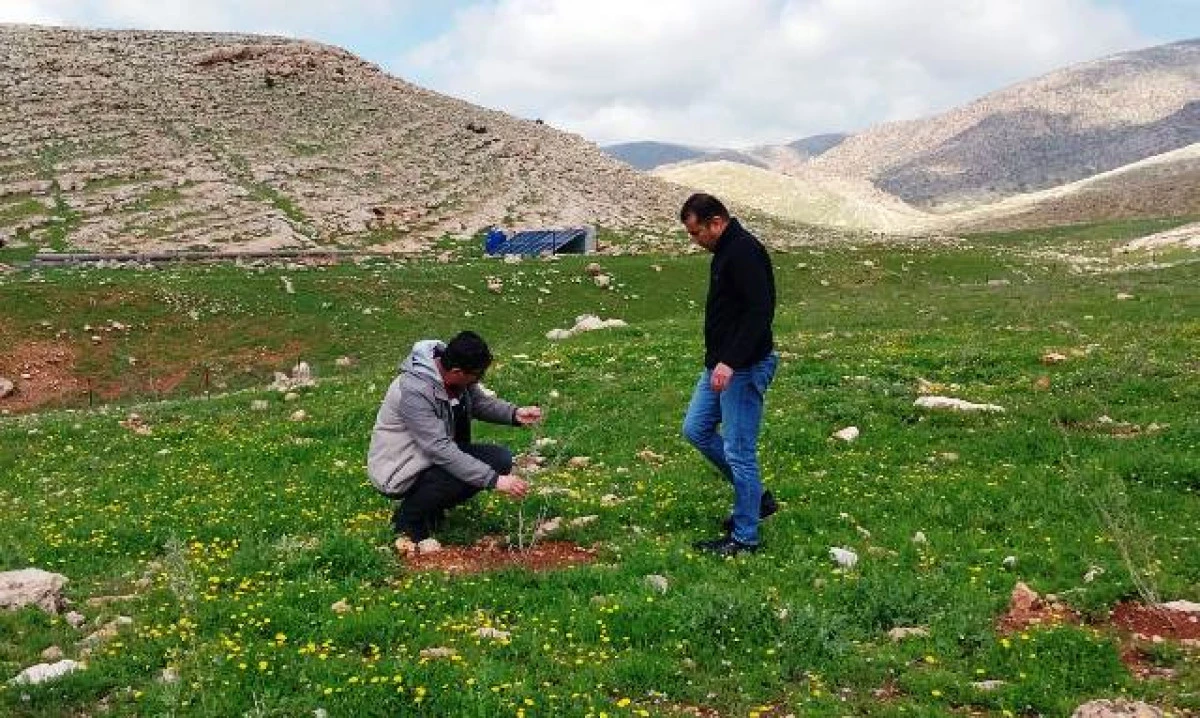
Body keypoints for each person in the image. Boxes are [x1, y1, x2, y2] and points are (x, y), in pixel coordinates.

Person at [367, 331, 541, 546]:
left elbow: (479, 403)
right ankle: (407, 522)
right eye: (477, 375)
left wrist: (514, 414)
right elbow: (439, 449)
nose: (478, 380)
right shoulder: (414, 391)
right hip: (399, 467)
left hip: (427, 458)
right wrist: (494, 480)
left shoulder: (457, 376)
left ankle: (432, 511)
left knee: (500, 459)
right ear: (457, 372)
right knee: (462, 466)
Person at [679, 193, 779, 557]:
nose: (695, 240)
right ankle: (757, 498)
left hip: (744, 367)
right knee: (696, 429)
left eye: (696, 232)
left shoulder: (743, 251)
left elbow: (760, 311)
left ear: (716, 223)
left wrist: (731, 361)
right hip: (721, 365)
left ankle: (745, 537)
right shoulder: (725, 251)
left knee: (739, 451)